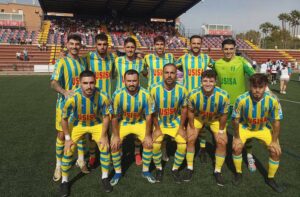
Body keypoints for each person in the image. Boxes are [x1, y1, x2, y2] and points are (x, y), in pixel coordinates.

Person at [60, 70, 112, 196]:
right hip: (78, 124)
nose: (89, 86)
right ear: (79, 83)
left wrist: (104, 135)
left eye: (91, 83)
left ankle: (105, 178)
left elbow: (106, 117)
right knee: (69, 148)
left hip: (96, 123)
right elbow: (64, 118)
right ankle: (64, 181)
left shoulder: (103, 96)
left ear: (95, 82)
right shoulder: (72, 97)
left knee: (104, 146)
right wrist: (67, 138)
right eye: (85, 83)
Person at [232, 73, 283, 193]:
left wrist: (275, 141)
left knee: (275, 151)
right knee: (236, 147)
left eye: (260, 87)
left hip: (263, 128)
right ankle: (238, 173)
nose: (257, 90)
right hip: (245, 127)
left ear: (265, 87)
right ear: (250, 86)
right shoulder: (241, 99)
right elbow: (235, 120)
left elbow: (276, 122)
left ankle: (270, 179)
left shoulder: (273, 100)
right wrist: (237, 137)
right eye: (254, 87)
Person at [213, 38, 257, 172]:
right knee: (221, 132)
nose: (228, 51)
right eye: (225, 49)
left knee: (247, 131)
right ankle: (221, 154)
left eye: (231, 49)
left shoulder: (242, 61)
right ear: (222, 50)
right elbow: (211, 81)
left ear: (235, 49)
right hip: (224, 105)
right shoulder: (217, 64)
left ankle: (249, 156)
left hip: (241, 105)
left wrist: (268, 92)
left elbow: (255, 77)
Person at [50, 34, 88, 182]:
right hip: (64, 106)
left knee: (81, 133)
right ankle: (58, 165)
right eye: (71, 44)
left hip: (81, 106)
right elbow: (53, 82)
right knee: (61, 135)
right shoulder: (62, 62)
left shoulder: (83, 62)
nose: (74, 46)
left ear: (80, 46)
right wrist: (65, 92)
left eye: (77, 44)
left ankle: (80, 159)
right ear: (67, 45)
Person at [183, 70, 229, 186]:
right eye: (205, 81)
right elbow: (191, 111)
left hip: (215, 119)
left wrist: (221, 130)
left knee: (222, 141)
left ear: (215, 82)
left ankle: (218, 170)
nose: (208, 84)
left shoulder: (223, 95)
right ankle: (189, 167)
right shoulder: (193, 94)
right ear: (201, 81)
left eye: (211, 81)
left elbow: (224, 115)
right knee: (191, 138)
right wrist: (192, 127)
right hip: (199, 118)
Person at [110, 70, 156, 186]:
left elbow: (149, 116)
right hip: (124, 123)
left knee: (149, 143)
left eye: (134, 81)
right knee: (114, 144)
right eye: (129, 81)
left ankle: (145, 171)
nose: (131, 83)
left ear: (138, 81)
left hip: (139, 122)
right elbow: (114, 117)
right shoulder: (117, 94)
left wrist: (148, 135)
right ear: (124, 81)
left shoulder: (146, 94)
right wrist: (115, 136)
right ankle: (118, 173)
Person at [175, 35, 214, 162]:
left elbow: (215, 69)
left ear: (201, 44)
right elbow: (174, 68)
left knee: (201, 123)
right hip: (187, 97)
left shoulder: (207, 58)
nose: (196, 45)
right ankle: (185, 145)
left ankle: (202, 147)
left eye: (198, 43)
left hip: (202, 97)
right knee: (186, 122)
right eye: (194, 43)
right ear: (190, 44)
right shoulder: (183, 58)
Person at [150, 63, 188, 183]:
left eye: (172, 73)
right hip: (160, 121)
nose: (169, 75)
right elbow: (152, 111)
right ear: (162, 74)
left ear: (176, 74)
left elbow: (184, 109)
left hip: (174, 121)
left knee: (183, 144)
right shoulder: (153, 89)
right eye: (167, 72)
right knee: (155, 145)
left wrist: (182, 127)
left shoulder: (182, 89)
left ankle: (175, 169)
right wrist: (156, 128)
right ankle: (159, 168)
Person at [86, 33, 116, 167]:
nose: (102, 47)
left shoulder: (112, 58)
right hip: (92, 100)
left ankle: (107, 153)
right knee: (91, 129)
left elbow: (115, 73)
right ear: (95, 45)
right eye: (99, 44)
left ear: (108, 45)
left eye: (105, 44)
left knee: (108, 128)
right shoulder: (89, 57)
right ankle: (92, 155)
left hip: (107, 100)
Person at [114, 37, 145, 165]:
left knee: (138, 123)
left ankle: (137, 152)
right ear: (124, 48)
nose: (130, 49)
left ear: (135, 49)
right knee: (119, 124)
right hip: (120, 99)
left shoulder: (141, 62)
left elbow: (147, 73)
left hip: (137, 98)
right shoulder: (117, 60)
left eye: (132, 47)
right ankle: (120, 150)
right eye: (128, 47)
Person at [144, 35, 175, 162]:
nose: (160, 47)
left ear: (165, 45)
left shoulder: (170, 57)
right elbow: (143, 71)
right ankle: (150, 148)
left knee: (163, 123)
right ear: (154, 45)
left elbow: (173, 72)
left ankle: (163, 150)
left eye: (162, 44)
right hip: (152, 95)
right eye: (157, 44)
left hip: (166, 94)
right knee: (151, 121)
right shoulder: (147, 58)